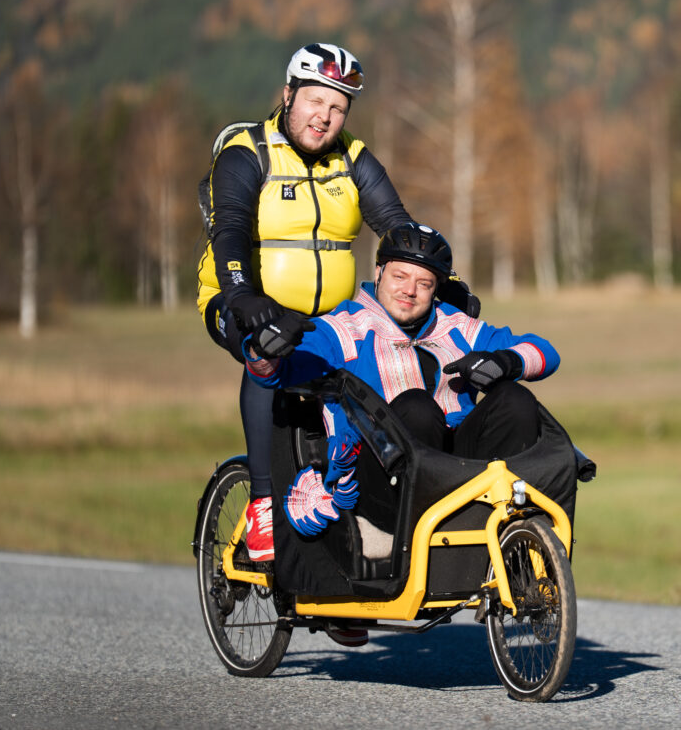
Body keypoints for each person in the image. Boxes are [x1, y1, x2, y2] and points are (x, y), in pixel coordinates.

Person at [196, 43, 472, 563]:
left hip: (328, 317)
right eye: (314, 100)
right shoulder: (246, 154)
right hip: (245, 303)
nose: (324, 116)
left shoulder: (354, 159)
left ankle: (343, 549)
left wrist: (448, 282)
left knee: (367, 386)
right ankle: (261, 503)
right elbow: (229, 230)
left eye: (338, 106)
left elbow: (398, 226)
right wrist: (241, 294)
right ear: (288, 95)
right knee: (267, 352)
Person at [243, 223, 559, 543]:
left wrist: (507, 362)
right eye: (400, 277)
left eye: (424, 283)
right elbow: (272, 373)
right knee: (416, 406)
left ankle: (508, 520)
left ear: (436, 289)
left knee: (514, 398)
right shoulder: (344, 328)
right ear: (379, 272)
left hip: (462, 471)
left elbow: (546, 351)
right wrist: (264, 349)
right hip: (380, 482)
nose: (410, 290)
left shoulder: (457, 326)